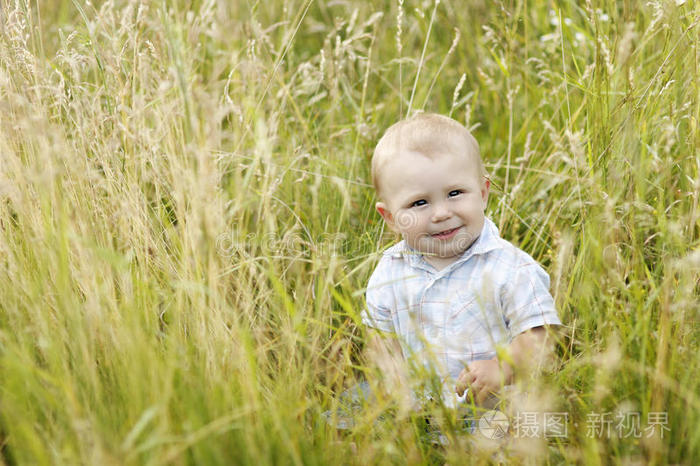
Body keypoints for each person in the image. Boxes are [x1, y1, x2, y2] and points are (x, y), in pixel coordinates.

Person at [362, 113, 561, 408]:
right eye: (419, 203)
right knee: (347, 412)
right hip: (419, 404)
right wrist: (393, 379)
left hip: (491, 403)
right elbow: (379, 336)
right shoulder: (390, 271)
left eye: (455, 193)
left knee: (504, 433)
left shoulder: (510, 267)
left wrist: (502, 367)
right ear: (391, 218)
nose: (441, 213)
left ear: (482, 193)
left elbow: (540, 336)